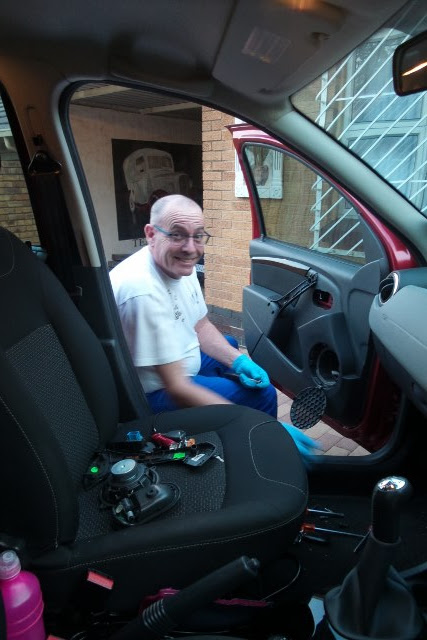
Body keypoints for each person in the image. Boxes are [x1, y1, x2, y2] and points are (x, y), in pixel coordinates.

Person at [110, 194, 319, 459]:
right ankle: (262, 449)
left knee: (229, 347)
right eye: (177, 235)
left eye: (198, 236)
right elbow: (177, 388)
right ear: (151, 234)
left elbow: (201, 325)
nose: (191, 248)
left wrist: (239, 362)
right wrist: (255, 423)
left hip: (175, 362)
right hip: (153, 392)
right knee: (262, 395)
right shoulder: (142, 292)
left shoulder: (178, 264)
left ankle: (235, 424)